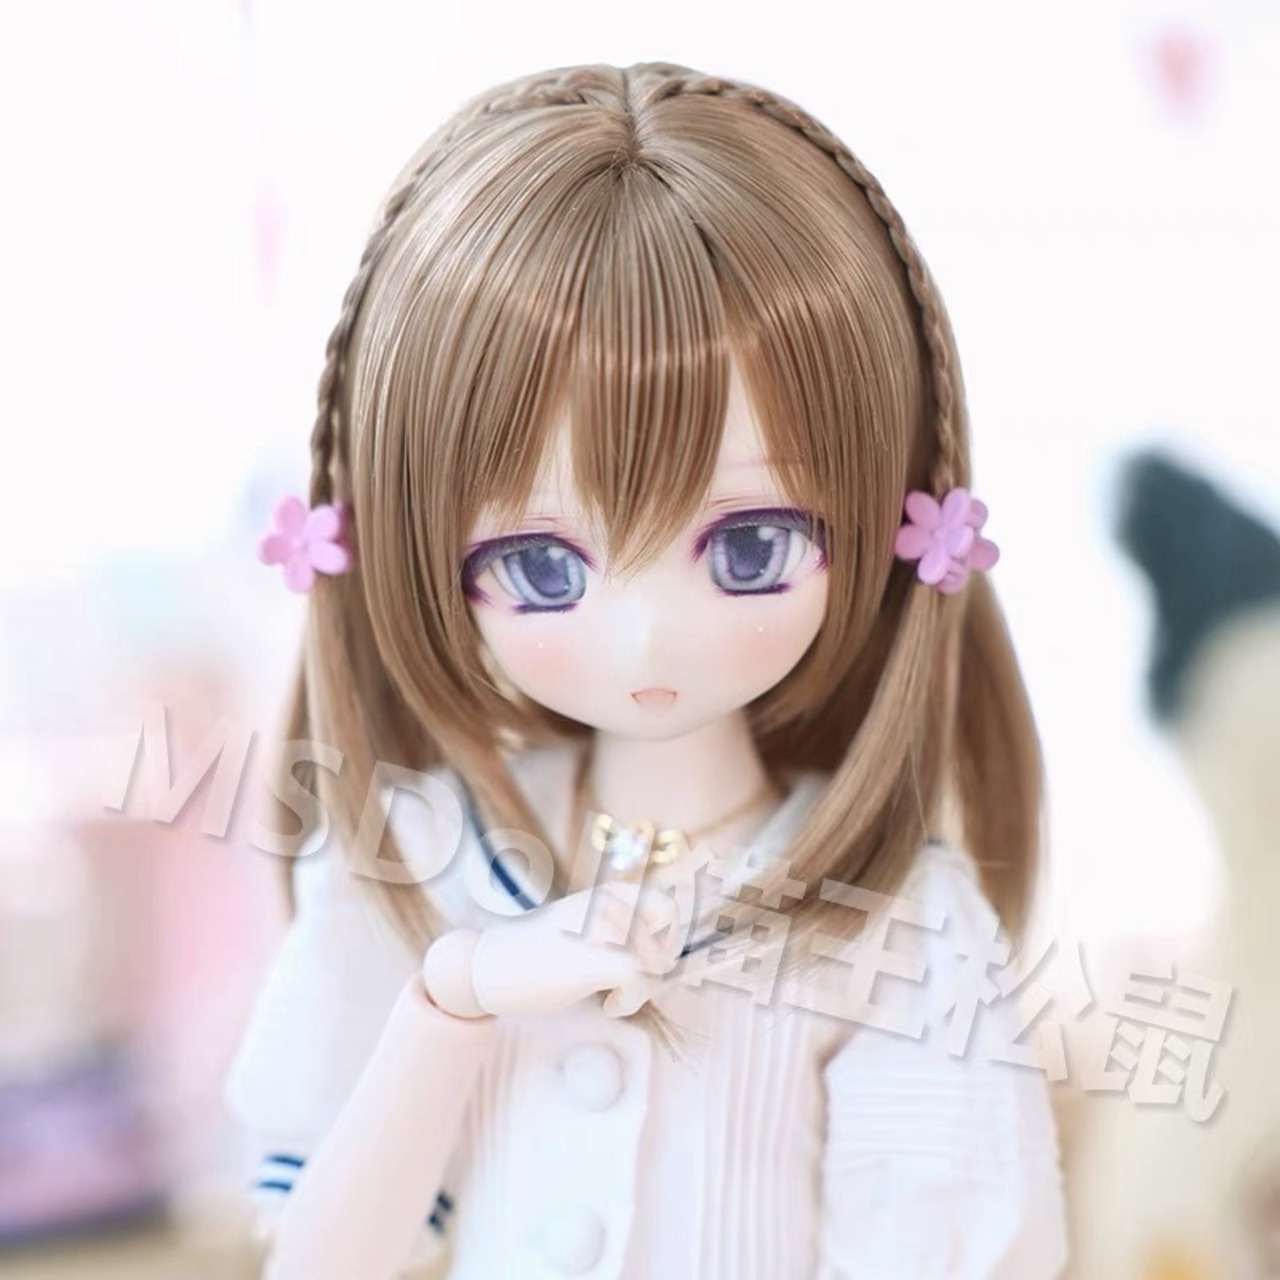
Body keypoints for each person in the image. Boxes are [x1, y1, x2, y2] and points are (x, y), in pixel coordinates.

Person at [228, 61, 1068, 1279]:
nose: (644, 643)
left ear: (897, 527)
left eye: (748, 546)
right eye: (538, 565)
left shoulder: (897, 926)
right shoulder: (416, 861)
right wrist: (452, 998)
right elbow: (319, 1259)